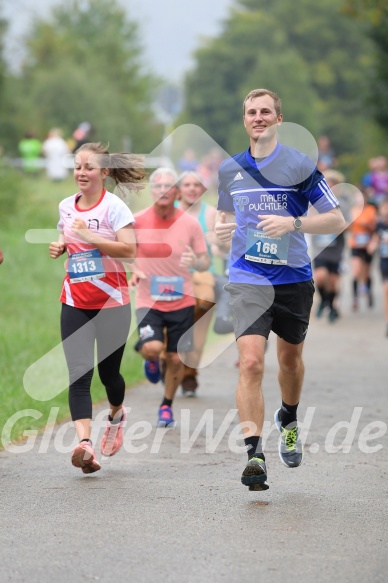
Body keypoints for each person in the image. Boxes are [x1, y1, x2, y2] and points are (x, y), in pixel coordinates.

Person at [215, 88, 346, 491]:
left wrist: (293, 224)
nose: (258, 117)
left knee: (289, 362)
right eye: (252, 112)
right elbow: (223, 224)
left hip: (292, 280)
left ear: (278, 119)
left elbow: (336, 219)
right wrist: (220, 234)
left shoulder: (300, 165)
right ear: (245, 121)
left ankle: (288, 417)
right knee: (251, 363)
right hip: (247, 279)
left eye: (265, 111)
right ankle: (254, 454)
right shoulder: (229, 170)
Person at [49, 142, 145, 474]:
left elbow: (129, 251)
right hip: (74, 300)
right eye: (77, 166)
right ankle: (85, 445)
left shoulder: (115, 208)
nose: (81, 173)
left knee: (109, 375)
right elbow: (69, 233)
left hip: (112, 305)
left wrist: (90, 237)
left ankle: (117, 416)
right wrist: (62, 244)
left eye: (89, 167)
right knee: (79, 373)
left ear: (104, 172)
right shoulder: (66, 206)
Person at [129, 167, 210, 427]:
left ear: (176, 192)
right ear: (151, 191)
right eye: (158, 186)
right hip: (148, 299)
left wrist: (195, 261)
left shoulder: (190, 223)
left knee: (176, 358)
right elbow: (122, 251)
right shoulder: (136, 220)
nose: (163, 190)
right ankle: (150, 359)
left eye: (168, 186)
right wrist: (133, 268)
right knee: (153, 348)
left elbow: (205, 261)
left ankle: (166, 405)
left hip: (181, 300)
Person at [176, 170, 227, 396]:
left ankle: (189, 377)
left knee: (197, 336)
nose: (192, 189)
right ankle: (164, 363)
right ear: (178, 189)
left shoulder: (211, 214)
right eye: (186, 185)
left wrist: (218, 241)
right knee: (171, 333)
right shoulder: (168, 212)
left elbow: (228, 246)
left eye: (196, 185)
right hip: (172, 280)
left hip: (204, 279)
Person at [311, 170, 350, 323]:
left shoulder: (342, 204)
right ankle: (324, 301)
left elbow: (348, 223)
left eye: (333, 183)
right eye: (328, 183)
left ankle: (332, 307)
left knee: (333, 281)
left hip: (336, 249)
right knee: (320, 277)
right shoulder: (314, 202)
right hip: (319, 248)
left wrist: (338, 226)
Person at [348, 187, 377, 311]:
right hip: (355, 245)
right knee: (356, 271)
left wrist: (367, 225)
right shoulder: (352, 210)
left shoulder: (371, 210)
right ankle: (355, 298)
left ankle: (369, 291)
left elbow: (376, 227)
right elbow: (347, 227)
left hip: (368, 245)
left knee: (366, 273)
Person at [368, 197, 388, 336]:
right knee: (386, 290)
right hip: (384, 261)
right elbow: (374, 242)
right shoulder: (379, 225)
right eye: (384, 208)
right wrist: (373, 245)